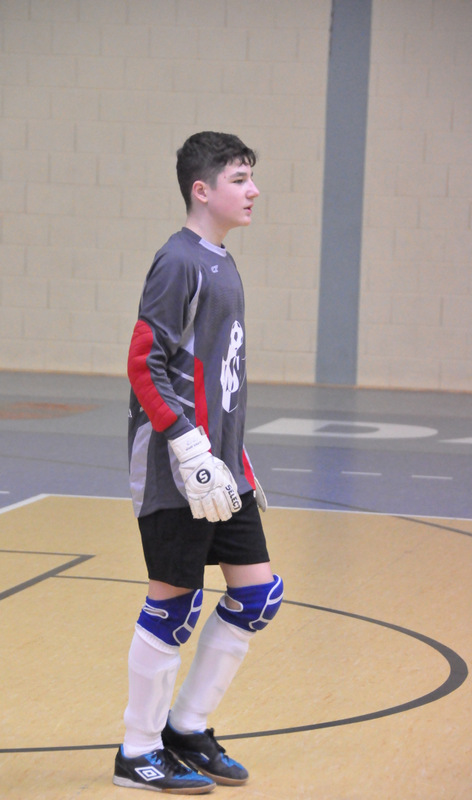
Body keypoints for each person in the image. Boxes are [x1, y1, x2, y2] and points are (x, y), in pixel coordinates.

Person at [113, 131, 283, 794]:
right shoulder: (177, 261)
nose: (254, 190)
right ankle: (137, 749)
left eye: (251, 177)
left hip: (221, 468)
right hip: (176, 466)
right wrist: (187, 446)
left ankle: (185, 729)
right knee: (173, 607)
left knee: (257, 595)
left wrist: (236, 457)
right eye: (240, 179)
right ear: (202, 190)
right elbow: (143, 365)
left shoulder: (222, 262)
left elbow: (214, 377)